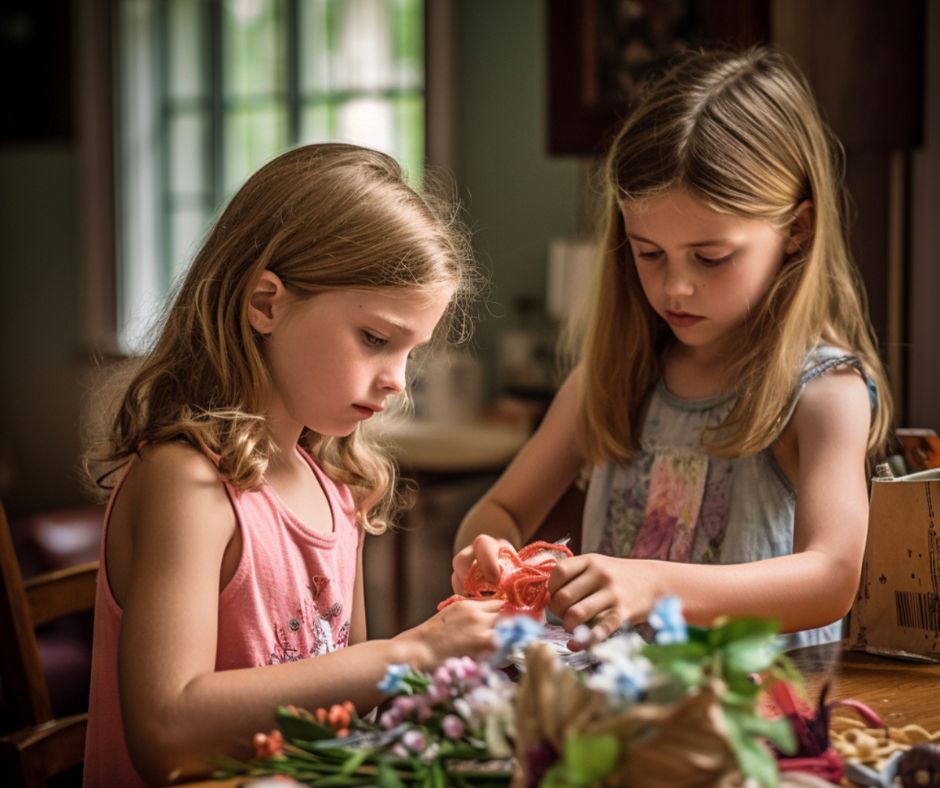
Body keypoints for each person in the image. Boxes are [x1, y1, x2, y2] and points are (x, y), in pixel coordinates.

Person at [82, 143, 502, 786]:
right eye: (374, 339)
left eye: (409, 354)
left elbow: (348, 707)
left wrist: (455, 636)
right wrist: (410, 652)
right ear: (266, 303)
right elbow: (166, 735)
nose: (396, 382)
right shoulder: (189, 486)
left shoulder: (339, 488)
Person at [453, 46, 892, 653]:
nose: (674, 286)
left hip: (755, 722)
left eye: (711, 257)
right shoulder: (610, 379)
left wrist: (653, 584)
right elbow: (499, 509)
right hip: (616, 716)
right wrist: (491, 555)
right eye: (648, 252)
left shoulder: (823, 392)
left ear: (798, 229)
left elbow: (831, 578)